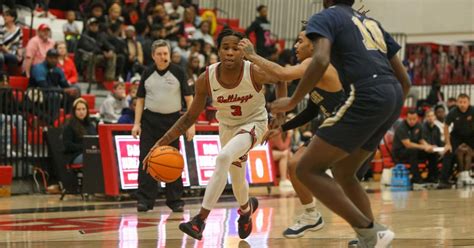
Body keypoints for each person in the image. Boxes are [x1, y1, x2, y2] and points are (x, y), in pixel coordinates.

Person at [269, 1, 411, 247]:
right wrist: (391, 106)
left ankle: (370, 230)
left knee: (306, 169)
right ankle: (370, 237)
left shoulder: (324, 17)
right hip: (393, 94)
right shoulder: (371, 23)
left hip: (364, 93)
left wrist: (292, 100)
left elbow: (321, 58)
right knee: (345, 172)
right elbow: (405, 79)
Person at [143, 29, 285, 240]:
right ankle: (246, 210)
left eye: (235, 48)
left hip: (254, 123)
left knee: (223, 157)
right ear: (218, 51)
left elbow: (281, 78)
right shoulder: (206, 79)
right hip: (227, 127)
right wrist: (158, 144)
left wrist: (280, 115)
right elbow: (189, 118)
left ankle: (199, 220)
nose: (230, 52)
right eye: (225, 48)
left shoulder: (253, 71)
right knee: (237, 178)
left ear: (243, 51)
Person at [240, 27, 345, 238]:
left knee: (303, 168)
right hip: (332, 126)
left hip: (348, 126)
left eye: (299, 41)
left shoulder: (315, 63)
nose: (295, 46)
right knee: (295, 167)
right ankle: (311, 215)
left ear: (314, 46)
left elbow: (282, 74)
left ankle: (361, 229)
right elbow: (311, 110)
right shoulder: (312, 71)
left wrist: (251, 55)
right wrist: (282, 127)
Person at [132, 40, 195, 213]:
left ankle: (175, 200)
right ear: (153, 56)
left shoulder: (178, 72)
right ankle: (145, 200)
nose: (163, 57)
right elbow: (140, 100)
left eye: (165, 53)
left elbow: (190, 100)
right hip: (150, 122)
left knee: (172, 160)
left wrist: (191, 125)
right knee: (146, 160)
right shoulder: (147, 73)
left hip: (173, 123)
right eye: (159, 54)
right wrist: (136, 124)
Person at [392, 109, 438, 186]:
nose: (412, 121)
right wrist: (423, 147)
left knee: (431, 152)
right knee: (413, 151)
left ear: (417, 118)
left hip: (414, 150)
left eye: (414, 119)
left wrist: (428, 146)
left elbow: (421, 139)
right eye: (410, 119)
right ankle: (416, 178)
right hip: (400, 152)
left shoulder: (419, 125)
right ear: (406, 118)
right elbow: (408, 144)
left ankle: (432, 177)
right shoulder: (401, 127)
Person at [442, 94, 474, 186]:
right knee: (448, 152)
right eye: (460, 102)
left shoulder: (473, 110)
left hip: (471, 135)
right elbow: (446, 126)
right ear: (457, 103)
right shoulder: (453, 112)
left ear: (468, 103)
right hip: (457, 135)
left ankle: (467, 175)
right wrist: (448, 143)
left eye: (464, 102)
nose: (462, 104)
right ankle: (443, 180)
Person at [63, 98, 97, 164]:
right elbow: (68, 145)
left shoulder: (91, 125)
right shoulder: (69, 126)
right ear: (74, 111)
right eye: (78, 109)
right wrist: (84, 147)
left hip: (91, 152)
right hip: (76, 155)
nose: (81, 112)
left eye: (84, 109)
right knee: (94, 158)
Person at [0, 9, 22, 81]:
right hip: (3, 51)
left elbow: (20, 45)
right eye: (4, 15)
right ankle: (3, 79)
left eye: (7, 15)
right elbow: (1, 44)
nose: (4, 17)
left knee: (17, 58)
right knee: (7, 57)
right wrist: (10, 53)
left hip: (14, 51)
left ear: (13, 18)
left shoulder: (19, 30)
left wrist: (20, 55)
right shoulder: (1, 28)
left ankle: (11, 80)